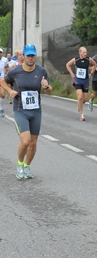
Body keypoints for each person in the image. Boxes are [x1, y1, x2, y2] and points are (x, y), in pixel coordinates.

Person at [0, 44, 53, 179]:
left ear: (35, 56)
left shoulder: (41, 71)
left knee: (33, 142)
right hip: (20, 110)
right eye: (28, 55)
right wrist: (10, 91)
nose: (30, 58)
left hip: (36, 111)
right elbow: (2, 81)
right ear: (23, 56)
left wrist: (46, 86)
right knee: (25, 141)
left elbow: (49, 90)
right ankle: (19, 164)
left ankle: (27, 166)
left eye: (32, 55)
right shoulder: (15, 71)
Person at [66, 47, 97, 121]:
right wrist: (71, 73)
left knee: (85, 99)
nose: (85, 54)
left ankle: (79, 106)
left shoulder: (88, 59)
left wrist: (91, 73)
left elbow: (95, 65)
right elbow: (67, 65)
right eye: (84, 52)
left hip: (85, 81)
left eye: (86, 52)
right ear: (79, 52)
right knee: (80, 96)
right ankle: (81, 115)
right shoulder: (75, 60)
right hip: (78, 80)